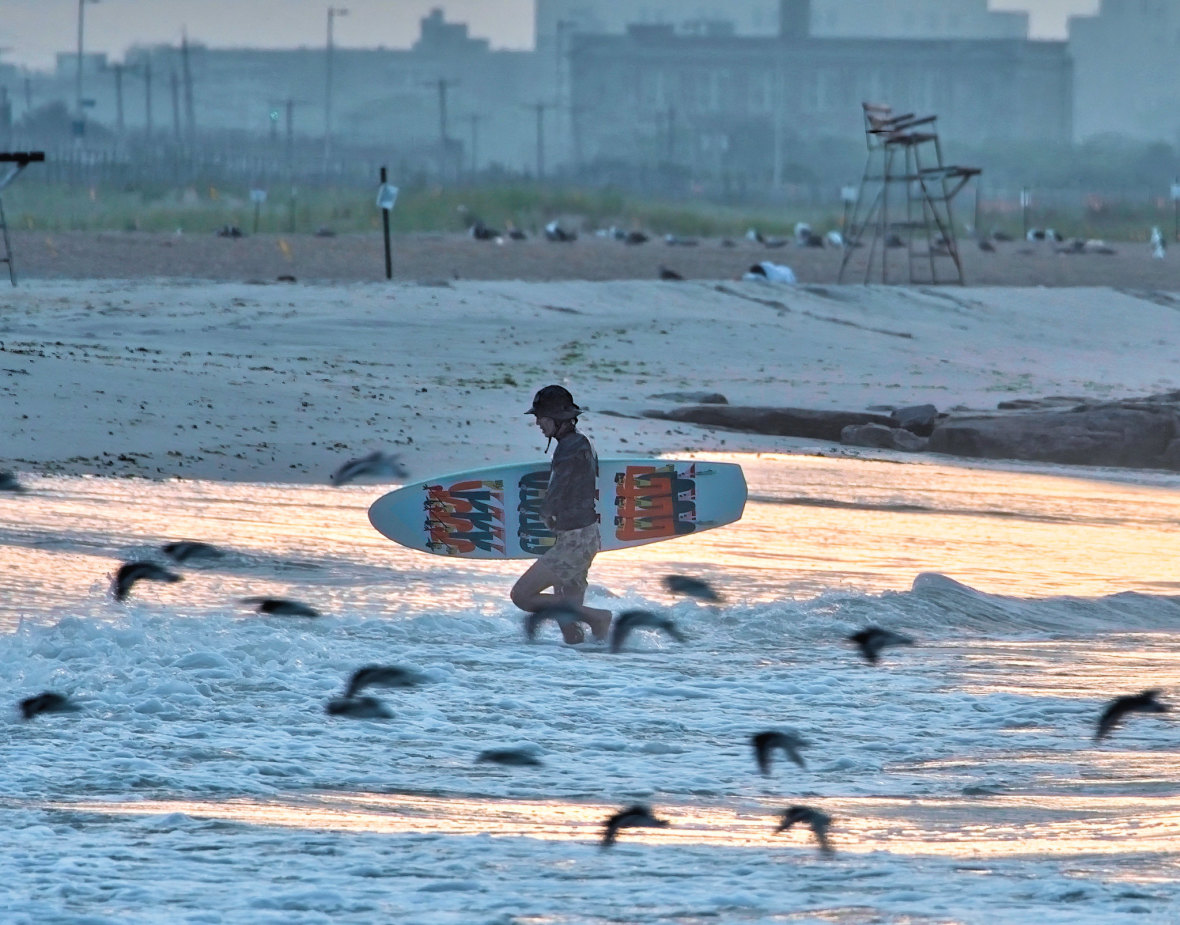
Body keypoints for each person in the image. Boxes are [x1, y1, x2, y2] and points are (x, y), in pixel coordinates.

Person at [510, 385, 612, 643]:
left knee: (522, 595)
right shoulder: (579, 443)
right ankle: (581, 668)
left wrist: (546, 512)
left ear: (557, 418)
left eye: (541, 417)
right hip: (583, 536)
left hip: (575, 541)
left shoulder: (571, 447)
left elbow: (559, 486)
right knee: (570, 631)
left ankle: (598, 618)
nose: (537, 423)